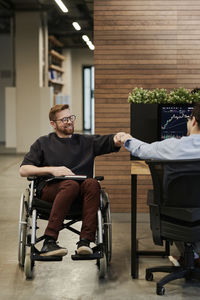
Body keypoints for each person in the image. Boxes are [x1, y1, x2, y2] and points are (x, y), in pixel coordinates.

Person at [20, 104, 122, 257]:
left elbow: (110, 141)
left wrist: (119, 137)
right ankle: (49, 241)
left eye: (71, 117)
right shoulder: (43, 143)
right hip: (50, 190)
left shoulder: (85, 141)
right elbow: (24, 170)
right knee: (70, 185)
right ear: (53, 124)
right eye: (64, 119)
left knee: (93, 183)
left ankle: (85, 242)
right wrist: (51, 169)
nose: (69, 121)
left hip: (80, 194)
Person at [116, 102, 200, 266]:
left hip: (174, 216)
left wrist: (126, 138)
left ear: (194, 121)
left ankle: (191, 257)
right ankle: (194, 257)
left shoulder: (172, 146)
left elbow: (143, 150)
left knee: (166, 199)